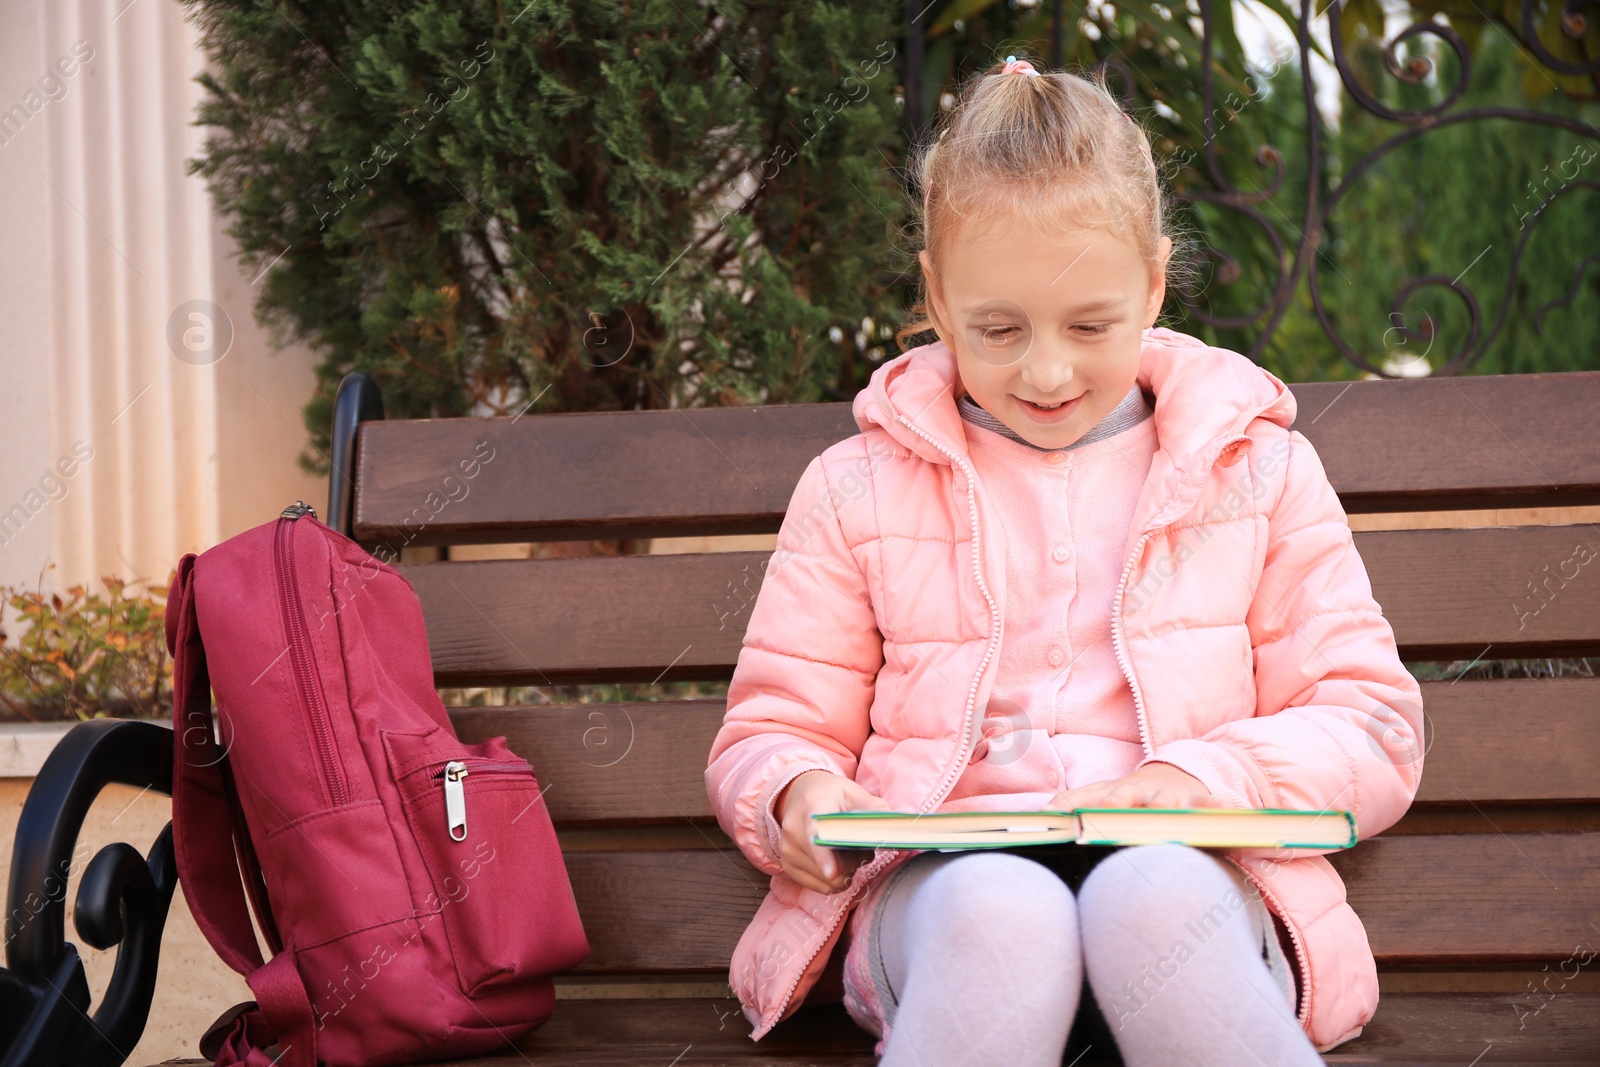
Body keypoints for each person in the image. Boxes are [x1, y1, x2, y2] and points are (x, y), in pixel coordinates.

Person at [704, 53, 1425, 1067]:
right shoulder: (853, 487)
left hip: (1200, 885)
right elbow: (773, 724)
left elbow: (1373, 724)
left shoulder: (1254, 470)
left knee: (1154, 888)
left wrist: (1201, 776)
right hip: (944, 909)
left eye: (1090, 325)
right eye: (998, 330)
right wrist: (793, 792)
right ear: (937, 299)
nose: (1046, 371)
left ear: (1156, 283)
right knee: (1002, 906)